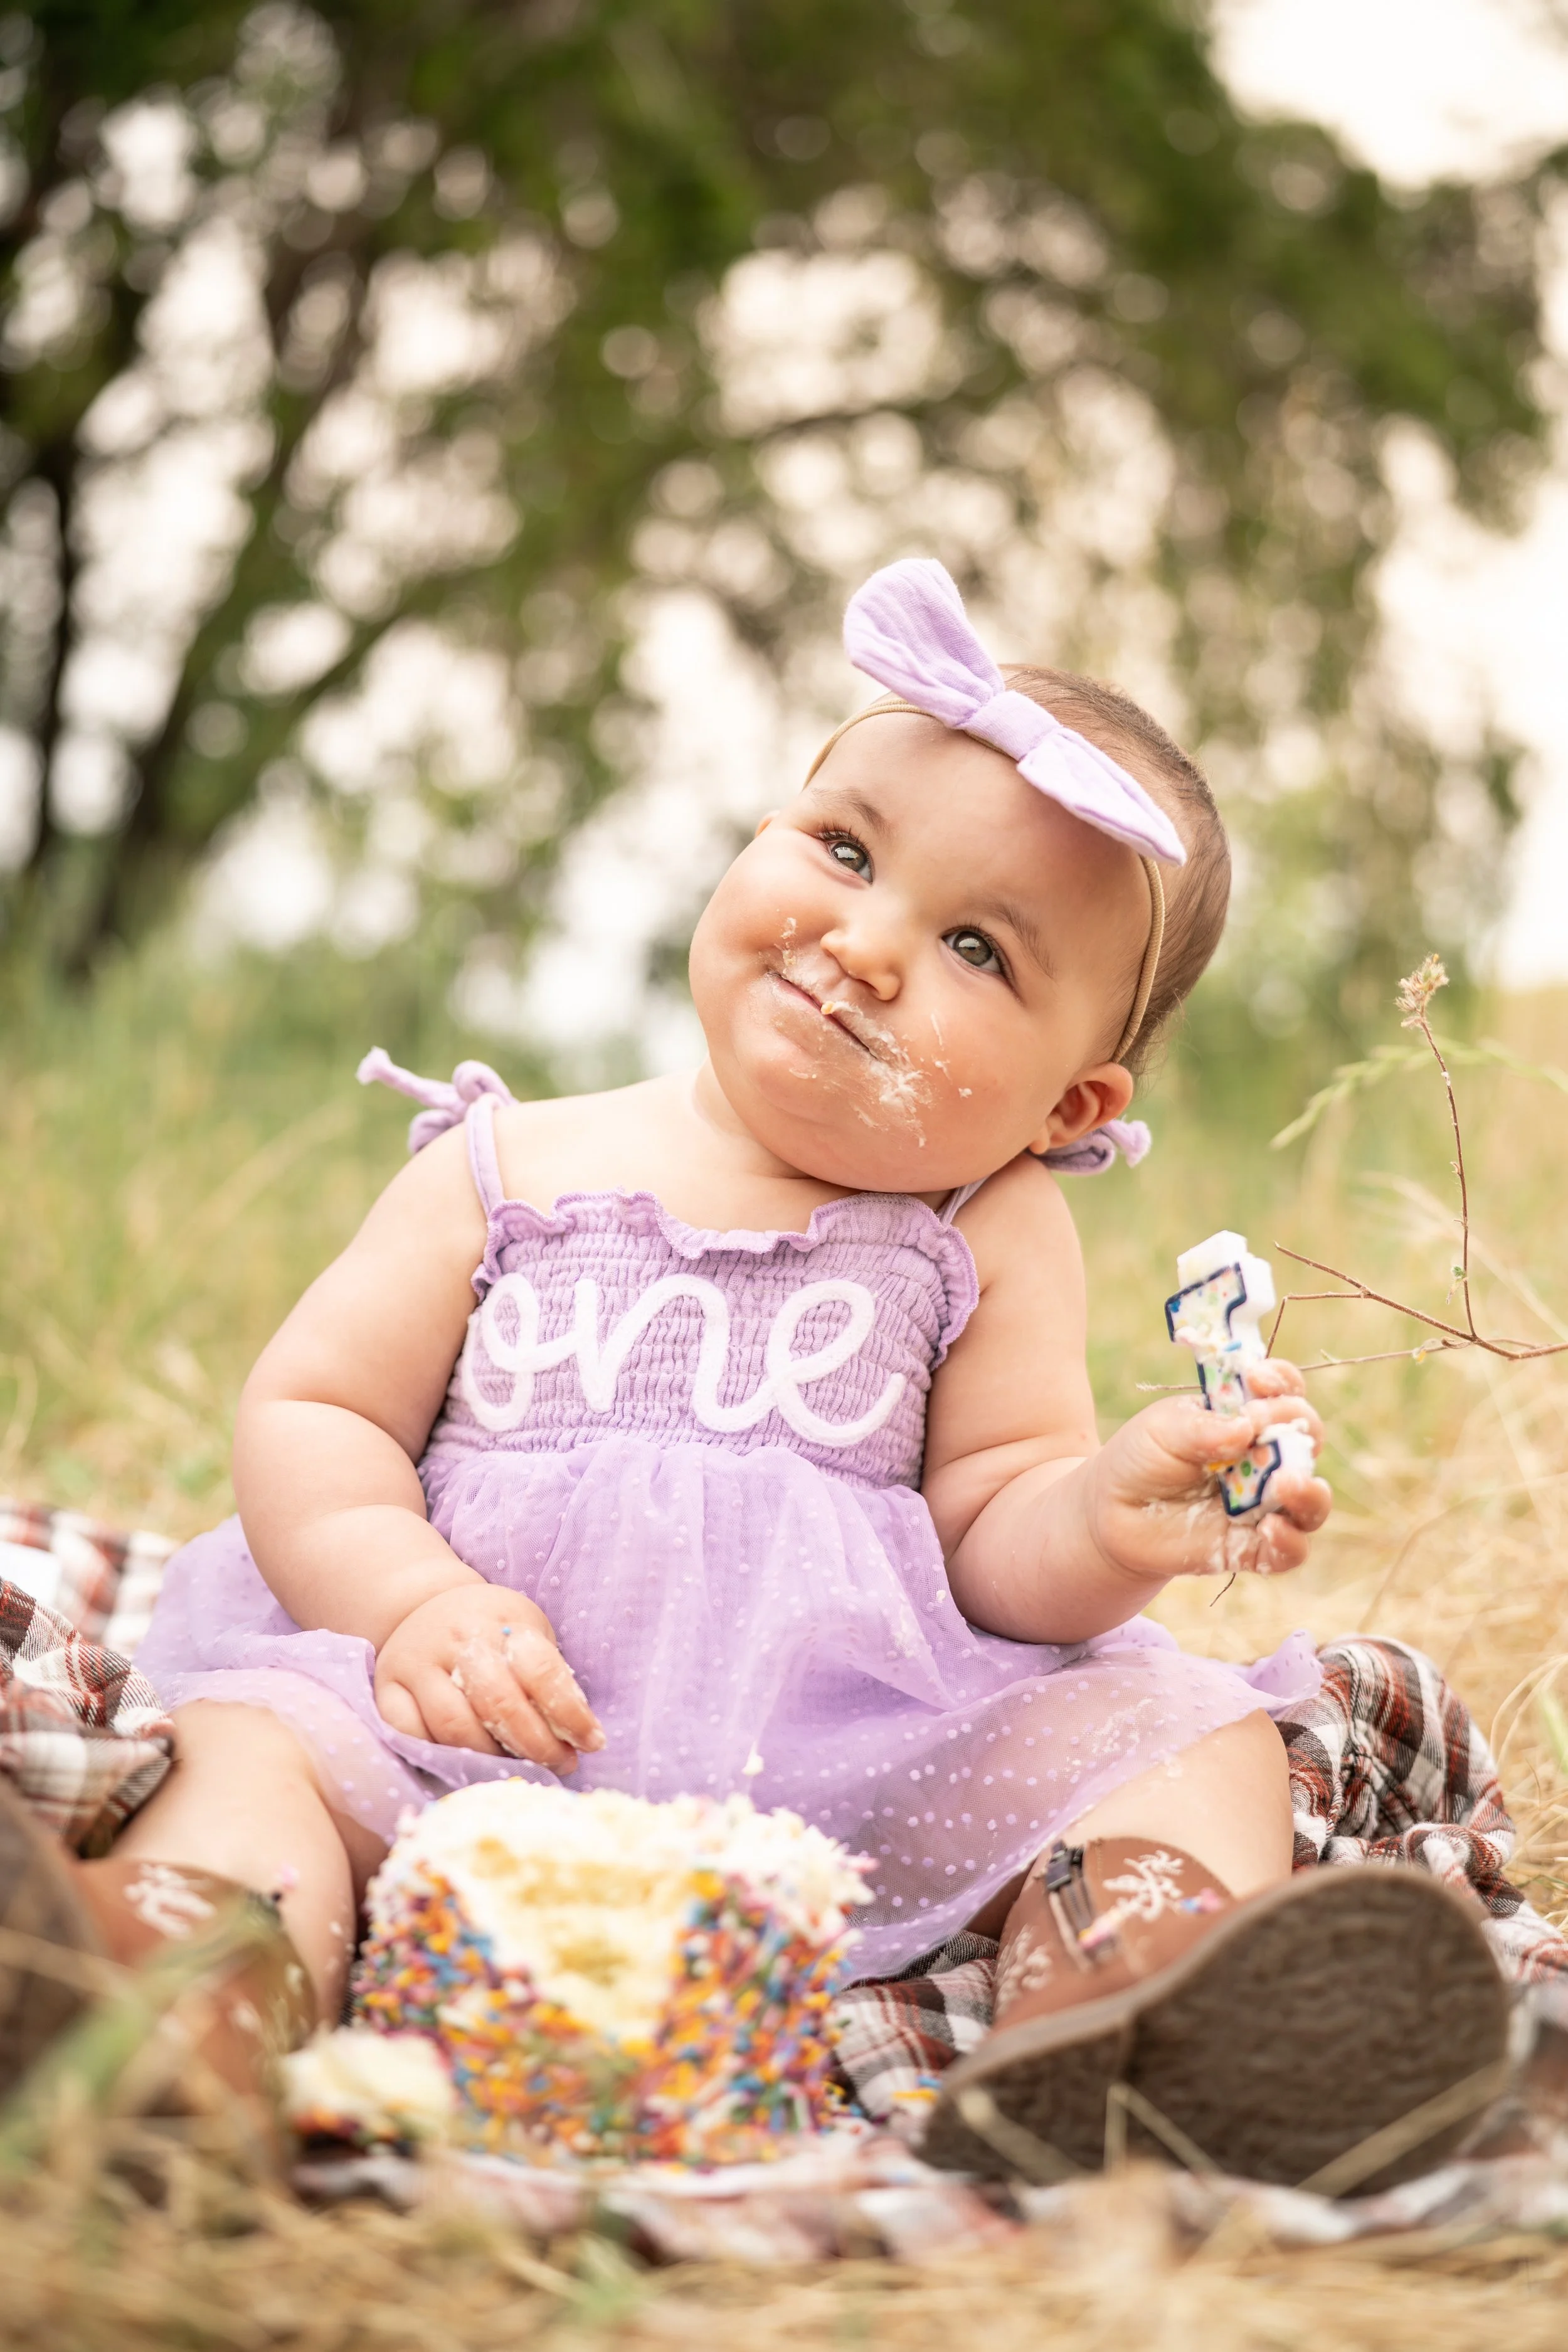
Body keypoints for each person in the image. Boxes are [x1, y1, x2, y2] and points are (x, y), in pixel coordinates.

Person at [98, 559, 1504, 2176]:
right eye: (844, 850)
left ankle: (1139, 2016)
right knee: (250, 1754)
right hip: (461, 1728)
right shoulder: (509, 1160)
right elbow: (316, 1411)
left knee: (1193, 1743)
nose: (867, 941)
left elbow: (990, 1532)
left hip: (844, 1763)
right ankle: (163, 1997)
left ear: (1069, 1108)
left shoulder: (990, 1223)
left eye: (980, 948)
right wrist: (407, 1603)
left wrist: (1110, 1519)